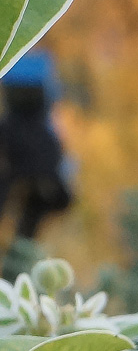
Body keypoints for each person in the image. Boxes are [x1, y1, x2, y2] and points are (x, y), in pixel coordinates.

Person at [0, 50, 72, 244]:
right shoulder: (44, 132)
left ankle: (21, 249)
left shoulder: (11, 127)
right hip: (35, 180)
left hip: (25, 180)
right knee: (27, 225)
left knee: (28, 223)